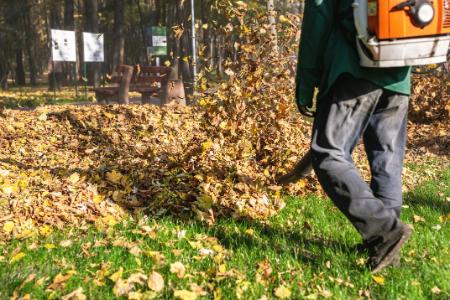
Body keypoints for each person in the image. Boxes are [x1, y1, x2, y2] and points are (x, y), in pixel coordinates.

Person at [296, 0, 412, 273]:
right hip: (399, 74)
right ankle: (385, 246)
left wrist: (305, 82)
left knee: (328, 153)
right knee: (387, 158)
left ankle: (385, 232)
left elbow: (317, 23)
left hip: (353, 70)